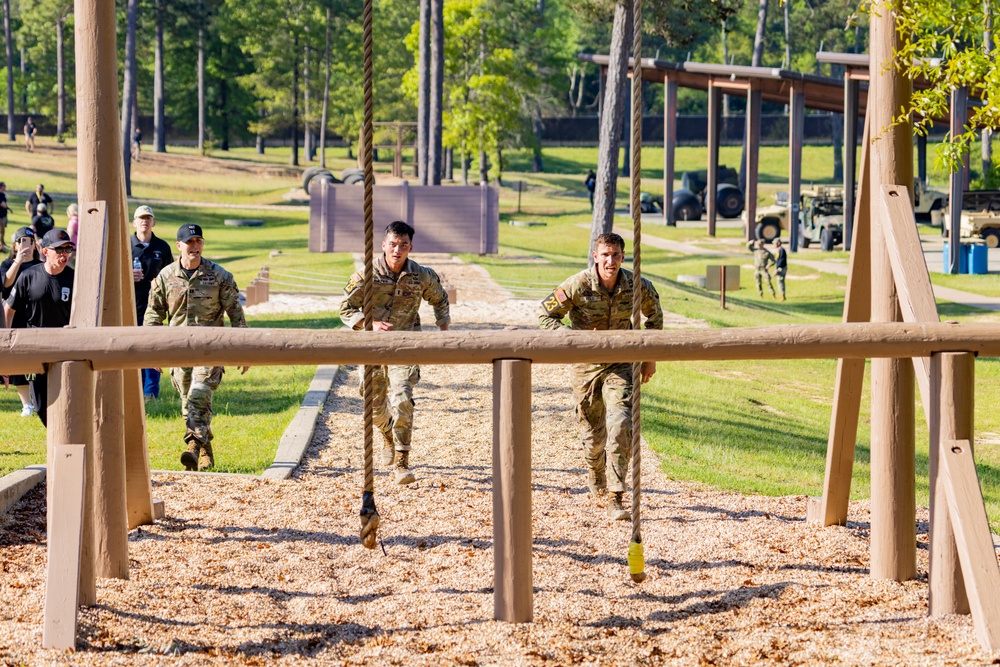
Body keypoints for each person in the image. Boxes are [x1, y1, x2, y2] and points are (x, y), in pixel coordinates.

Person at [539, 232, 663, 521]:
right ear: (595, 256)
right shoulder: (577, 284)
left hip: (622, 362)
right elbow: (545, 316)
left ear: (622, 256)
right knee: (593, 437)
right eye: (605, 255)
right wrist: (573, 340)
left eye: (616, 255)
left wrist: (650, 358)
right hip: (586, 366)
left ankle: (616, 495)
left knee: (621, 422)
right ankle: (596, 476)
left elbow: (654, 318)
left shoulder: (636, 285)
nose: (611, 260)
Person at [340, 220, 450, 485]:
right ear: (383, 246)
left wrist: (444, 331)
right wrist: (371, 324)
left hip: (406, 345)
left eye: (403, 245)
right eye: (392, 245)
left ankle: (402, 463)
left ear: (410, 247)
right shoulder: (367, 274)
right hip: (373, 347)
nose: (397, 250)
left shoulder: (421, 275)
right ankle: (388, 433)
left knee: (401, 398)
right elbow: (345, 309)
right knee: (372, 405)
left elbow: (440, 299)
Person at [144, 224, 248, 472]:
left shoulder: (220, 275)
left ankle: (191, 445)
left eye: (199, 241)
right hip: (178, 352)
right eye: (189, 242)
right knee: (188, 405)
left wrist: (245, 351)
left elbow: (237, 316)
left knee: (199, 394)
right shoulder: (165, 277)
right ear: (179, 246)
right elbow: (153, 317)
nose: (195, 246)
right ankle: (205, 453)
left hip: (212, 350)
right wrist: (152, 351)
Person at [3, 229, 75, 426]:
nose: (64, 254)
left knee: (69, 402)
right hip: (36, 350)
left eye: (68, 249)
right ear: (45, 252)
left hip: (65, 350)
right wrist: (6, 350)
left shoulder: (74, 279)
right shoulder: (28, 276)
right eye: (59, 249)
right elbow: (8, 310)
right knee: (42, 407)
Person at [129, 205, 174, 401]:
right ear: (134, 223)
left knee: (152, 346)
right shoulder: (125, 245)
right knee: (132, 347)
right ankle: (133, 388)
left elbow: (172, 276)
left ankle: (150, 392)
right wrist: (127, 275)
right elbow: (110, 275)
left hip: (155, 306)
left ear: (153, 222)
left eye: (148, 218)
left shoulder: (162, 247)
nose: (144, 221)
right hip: (130, 304)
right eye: (141, 218)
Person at [1, 227, 41, 417]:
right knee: (17, 360)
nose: (26, 245)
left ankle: (37, 399)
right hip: (15, 317)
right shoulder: (7, 264)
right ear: (15, 245)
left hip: (37, 316)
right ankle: (26, 404)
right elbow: (5, 284)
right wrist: (18, 261)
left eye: (30, 241)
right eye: (22, 241)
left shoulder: (41, 265)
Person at [0, 182, 8, 252]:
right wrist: (6, 206)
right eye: (4, 186)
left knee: (3, 231)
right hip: (0, 216)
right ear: (1, 187)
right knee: (1, 231)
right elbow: (2, 204)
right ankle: (1, 246)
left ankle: (2, 243)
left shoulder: (3, 195)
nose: (5, 187)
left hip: (3, 215)